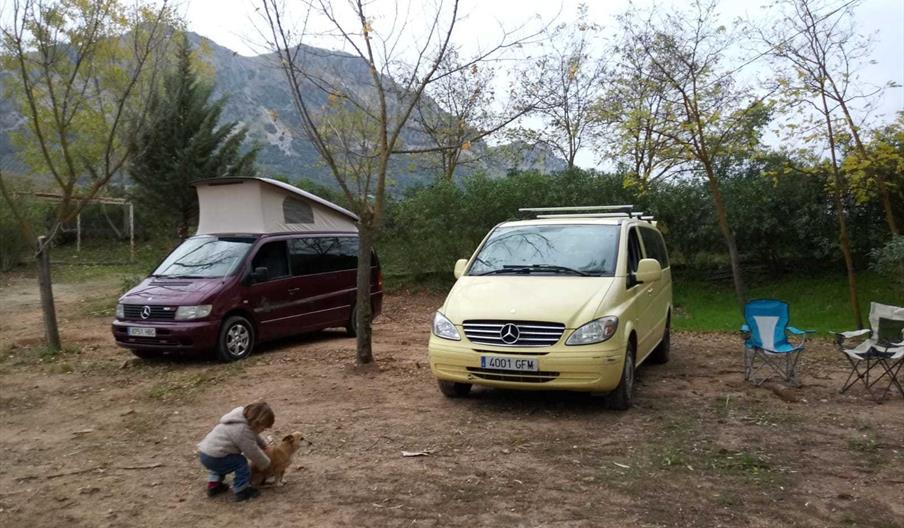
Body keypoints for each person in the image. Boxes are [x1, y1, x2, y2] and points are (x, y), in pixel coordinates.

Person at [197, 402, 274, 501]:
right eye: (263, 427)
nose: (263, 430)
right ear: (256, 423)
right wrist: (266, 464)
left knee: (219, 465)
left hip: (206, 453)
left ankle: (214, 485)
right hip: (216, 456)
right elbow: (252, 451)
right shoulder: (242, 431)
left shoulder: (239, 419)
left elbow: (254, 435)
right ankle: (242, 490)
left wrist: (263, 445)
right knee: (240, 462)